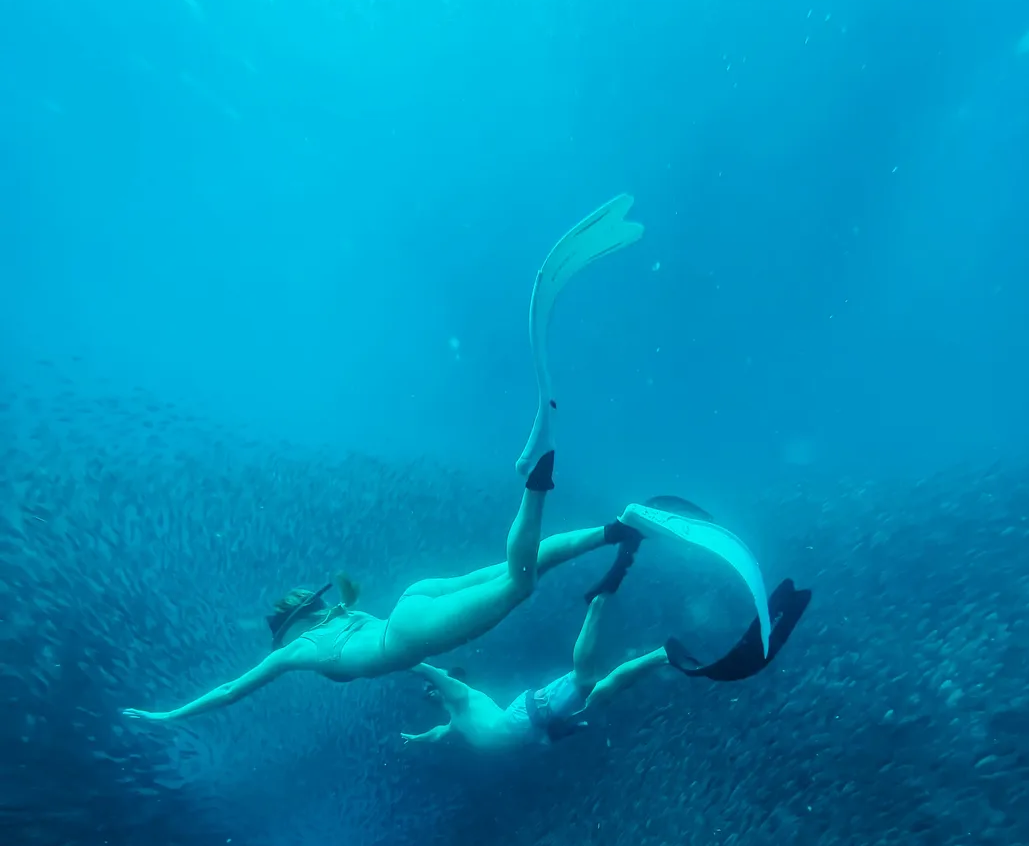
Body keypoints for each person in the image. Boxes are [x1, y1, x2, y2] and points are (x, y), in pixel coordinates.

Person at [122, 195, 648, 727]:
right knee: (512, 566)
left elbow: (233, 689)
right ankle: (613, 530)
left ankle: (534, 478)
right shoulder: (341, 614)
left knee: (520, 582)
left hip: (405, 633)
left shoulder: (296, 650)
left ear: (290, 628)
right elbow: (411, 662)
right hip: (411, 603)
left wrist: (168, 715)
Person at [400, 541, 812, 752]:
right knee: (596, 694)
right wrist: (416, 738)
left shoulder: (457, 693)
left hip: (526, 717)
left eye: (430, 692)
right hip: (535, 729)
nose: (430, 696)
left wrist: (403, 656)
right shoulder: (455, 716)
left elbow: (428, 668)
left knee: (585, 681)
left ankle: (600, 604)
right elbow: (440, 734)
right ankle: (660, 655)